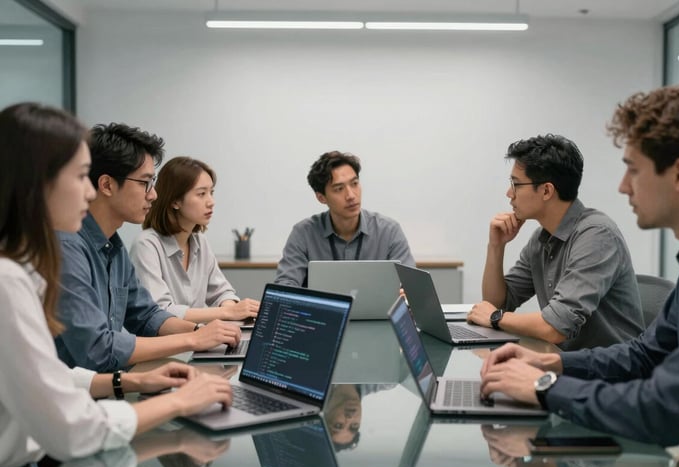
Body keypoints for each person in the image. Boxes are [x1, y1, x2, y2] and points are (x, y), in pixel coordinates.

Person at [479, 84, 679, 467]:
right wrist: (553, 365)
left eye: (633, 169)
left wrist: (544, 386)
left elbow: (668, 409)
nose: (623, 186)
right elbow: (644, 355)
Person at [0, 102, 232, 467]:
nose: (88, 193)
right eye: (80, 177)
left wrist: (131, 381)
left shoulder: (27, 264)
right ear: (38, 183)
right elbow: (72, 427)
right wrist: (180, 400)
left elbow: (52, 375)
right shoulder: (13, 277)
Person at [54, 123, 241, 373]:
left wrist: (202, 331)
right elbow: (96, 350)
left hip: (106, 386)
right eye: (145, 183)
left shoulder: (114, 248)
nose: (153, 195)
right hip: (73, 400)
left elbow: (147, 315)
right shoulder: (67, 248)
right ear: (107, 185)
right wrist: (193, 339)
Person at [467, 134, 643, 350]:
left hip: (608, 375)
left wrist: (495, 317)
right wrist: (496, 246)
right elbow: (498, 303)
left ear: (547, 191)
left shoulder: (597, 235)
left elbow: (555, 327)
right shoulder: (541, 239)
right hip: (567, 365)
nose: (509, 194)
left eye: (515, 184)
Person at [130, 156, 260, 323]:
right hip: (167, 345)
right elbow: (160, 311)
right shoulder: (146, 245)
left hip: (198, 342)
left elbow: (222, 292)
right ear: (175, 201)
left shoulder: (200, 241)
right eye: (201, 194)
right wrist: (229, 313)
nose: (211, 202)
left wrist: (234, 308)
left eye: (211, 193)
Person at [275, 151, 415, 287]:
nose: (351, 195)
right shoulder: (303, 233)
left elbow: (411, 285)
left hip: (377, 312)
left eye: (354, 184)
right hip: (323, 311)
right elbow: (285, 286)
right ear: (321, 197)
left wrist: (407, 293)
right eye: (339, 189)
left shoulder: (388, 231)